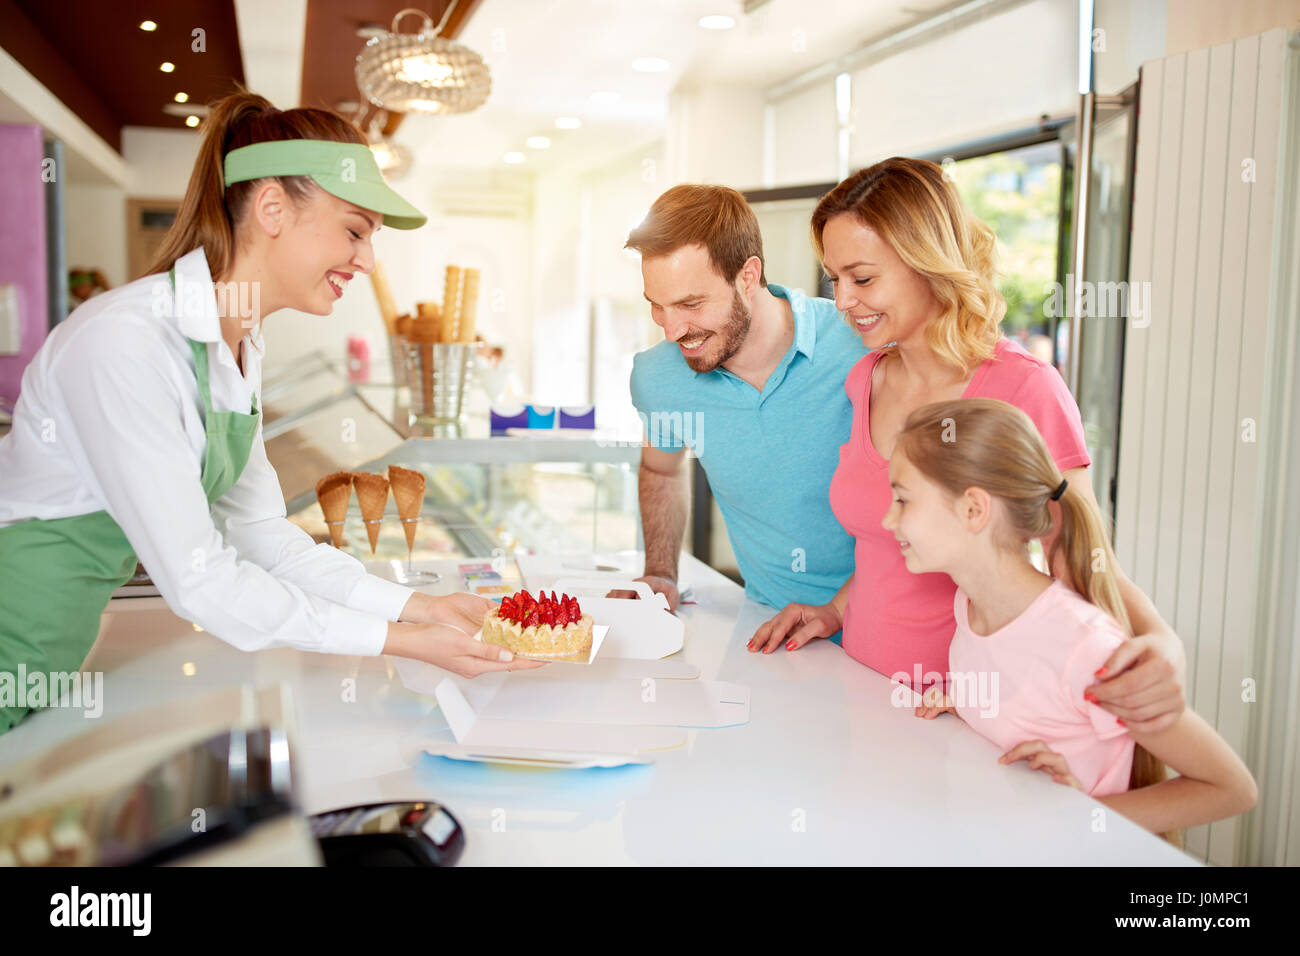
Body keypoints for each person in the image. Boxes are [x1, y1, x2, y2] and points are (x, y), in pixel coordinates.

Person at [0, 90, 540, 734]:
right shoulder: (128, 342)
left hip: (42, 658)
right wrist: (398, 640)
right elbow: (200, 582)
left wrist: (417, 607)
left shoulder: (238, 347)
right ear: (273, 208)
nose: (367, 261)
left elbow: (262, 538)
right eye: (355, 230)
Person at [749, 157, 1186, 735]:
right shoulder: (867, 379)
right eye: (834, 279)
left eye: (862, 277)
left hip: (967, 710)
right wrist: (834, 609)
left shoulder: (1024, 387)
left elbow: (1079, 554)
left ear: (928, 266)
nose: (844, 300)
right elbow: (885, 541)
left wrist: (1161, 642)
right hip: (859, 691)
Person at [898, 398, 1256, 837]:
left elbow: (1231, 788)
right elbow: (1032, 695)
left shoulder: (1085, 647)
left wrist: (1080, 817)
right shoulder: (969, 606)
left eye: (902, 500)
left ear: (974, 510)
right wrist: (966, 698)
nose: (886, 519)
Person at [621, 185, 867, 615]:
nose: (672, 330)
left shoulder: (859, 344)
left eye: (690, 304)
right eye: (657, 307)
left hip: (888, 624)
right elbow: (660, 469)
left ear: (748, 276)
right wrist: (661, 572)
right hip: (769, 624)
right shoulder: (657, 377)